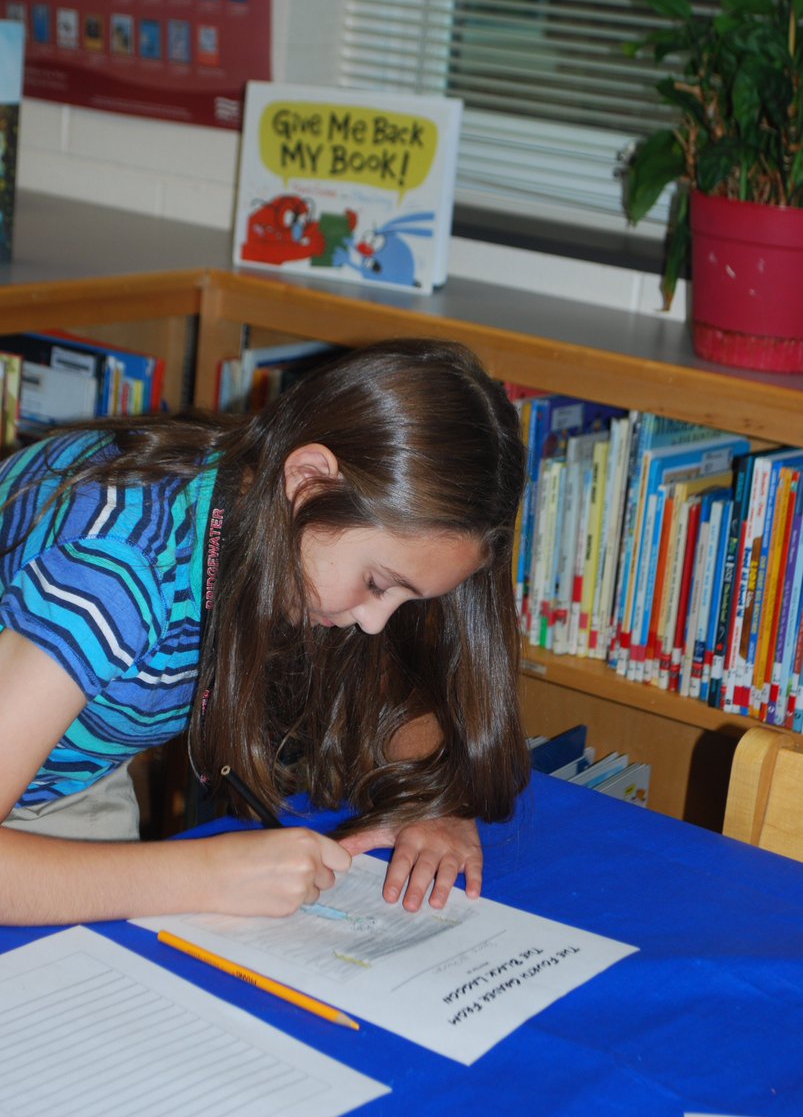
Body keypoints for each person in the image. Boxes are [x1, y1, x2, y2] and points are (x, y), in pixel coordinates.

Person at [0, 338, 529, 926]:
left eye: (407, 599)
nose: (375, 621)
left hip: (62, 773)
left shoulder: (269, 507)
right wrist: (207, 875)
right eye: (378, 584)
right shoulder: (113, 577)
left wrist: (427, 799)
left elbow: (391, 683)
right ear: (308, 479)